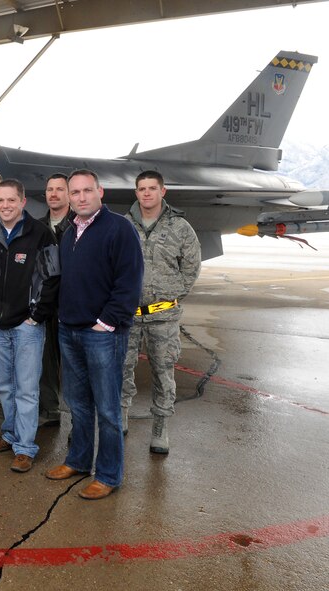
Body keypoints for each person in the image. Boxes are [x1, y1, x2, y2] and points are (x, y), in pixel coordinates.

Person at [45, 169, 143, 499]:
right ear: (69, 197)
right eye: (76, 192)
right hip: (70, 331)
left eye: (88, 190)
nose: (82, 197)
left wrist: (107, 322)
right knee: (78, 405)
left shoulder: (119, 228)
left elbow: (129, 283)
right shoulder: (70, 231)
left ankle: (109, 475)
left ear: (100, 191)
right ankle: (78, 460)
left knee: (108, 410)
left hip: (102, 334)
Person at [0, 179, 59, 473]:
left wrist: (36, 317)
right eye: (1, 201)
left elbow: (51, 278)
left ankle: (25, 448)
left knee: (26, 389)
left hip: (27, 327)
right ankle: (10, 435)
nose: (6, 206)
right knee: (5, 386)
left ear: (23, 201)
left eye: (12, 200)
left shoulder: (41, 234)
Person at [122, 170, 201, 453]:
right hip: (128, 314)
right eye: (141, 189)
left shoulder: (180, 227)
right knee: (121, 369)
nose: (146, 193)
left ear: (162, 191)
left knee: (163, 372)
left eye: (152, 188)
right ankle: (121, 417)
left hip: (163, 316)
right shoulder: (124, 225)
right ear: (136, 193)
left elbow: (191, 267)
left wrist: (172, 293)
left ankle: (160, 427)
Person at [37, 173, 75, 428]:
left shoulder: (79, 225)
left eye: (59, 189)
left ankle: (77, 420)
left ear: (68, 194)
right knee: (45, 362)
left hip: (72, 305)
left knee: (73, 367)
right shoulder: (38, 227)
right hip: (45, 306)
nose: (54, 194)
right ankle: (49, 411)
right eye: (50, 189)